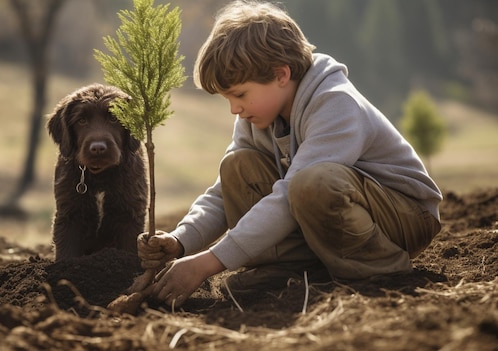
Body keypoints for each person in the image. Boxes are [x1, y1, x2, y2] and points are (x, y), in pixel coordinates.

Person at [138, 0, 442, 307]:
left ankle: (379, 272)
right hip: (339, 210)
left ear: (281, 75)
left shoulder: (335, 103)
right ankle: (293, 269)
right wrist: (181, 240)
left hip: (404, 216)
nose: (234, 109)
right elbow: (221, 193)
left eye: (240, 95)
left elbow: (288, 196)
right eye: (228, 98)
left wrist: (207, 263)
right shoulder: (256, 117)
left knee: (313, 182)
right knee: (237, 167)